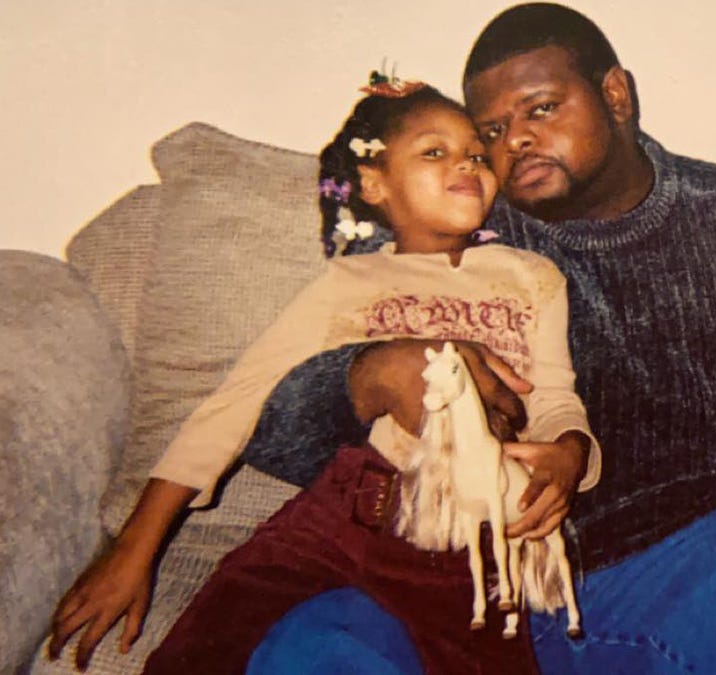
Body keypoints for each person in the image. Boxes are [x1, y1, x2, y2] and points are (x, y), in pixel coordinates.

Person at [246, 4, 716, 673]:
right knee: (312, 642)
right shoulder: (443, 229)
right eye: (492, 129)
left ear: (615, 94)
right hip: (451, 589)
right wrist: (372, 374)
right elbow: (263, 427)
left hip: (676, 584)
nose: (515, 140)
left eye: (541, 108)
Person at [53, 77, 599, 674]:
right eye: (434, 151)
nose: (467, 163)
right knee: (199, 650)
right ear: (374, 182)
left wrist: (572, 451)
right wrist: (136, 546)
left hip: (475, 537)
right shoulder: (346, 285)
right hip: (344, 511)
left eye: (475, 153)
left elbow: (554, 395)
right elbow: (237, 402)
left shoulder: (532, 276)